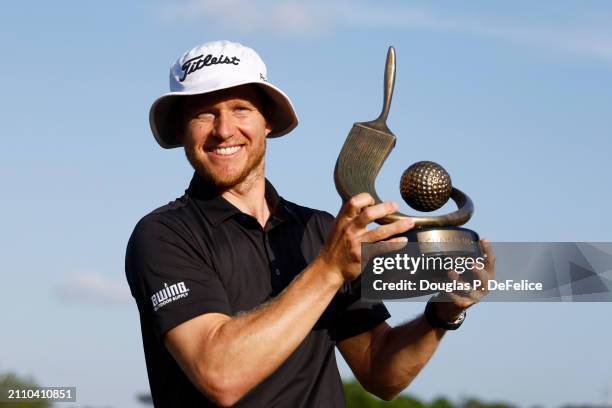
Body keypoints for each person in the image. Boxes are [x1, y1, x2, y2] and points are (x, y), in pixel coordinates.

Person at [125, 40, 495, 407]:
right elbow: (219, 374)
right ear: (179, 130)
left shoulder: (319, 231)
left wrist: (441, 314)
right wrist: (329, 270)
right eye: (204, 113)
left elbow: (380, 370)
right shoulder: (162, 236)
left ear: (267, 120)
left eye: (241, 109)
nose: (224, 130)